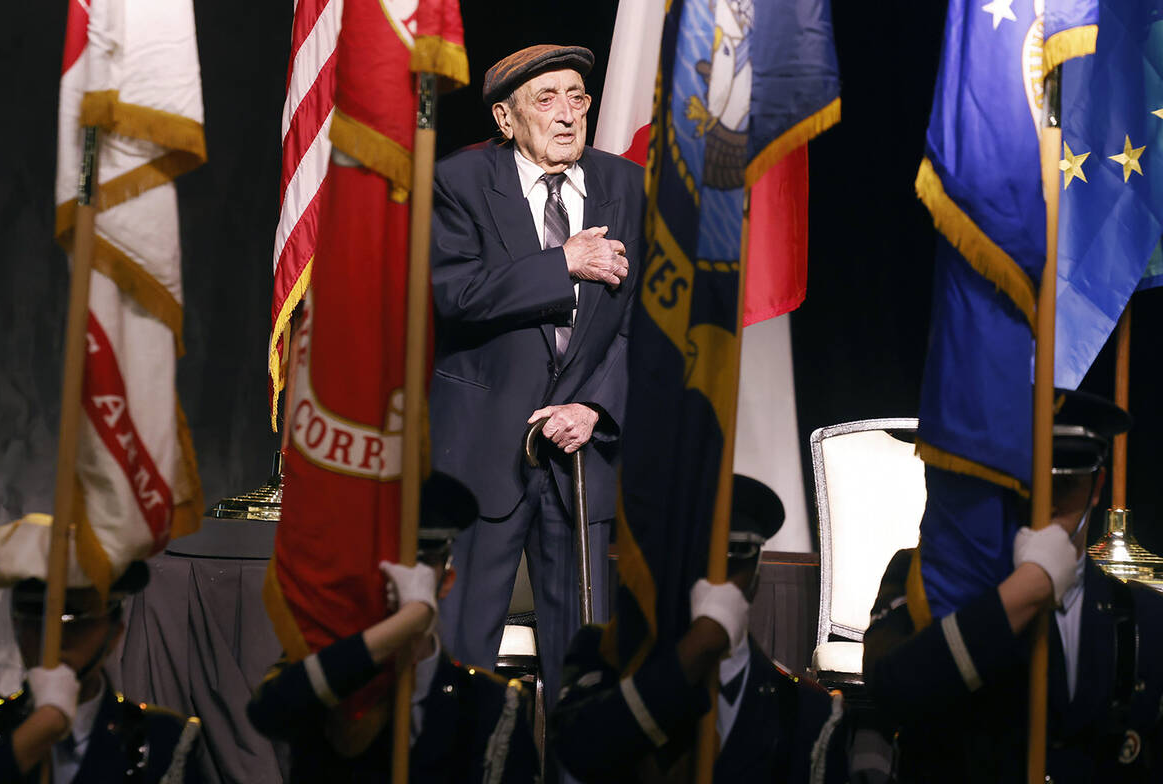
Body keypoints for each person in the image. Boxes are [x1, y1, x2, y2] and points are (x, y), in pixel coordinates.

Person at [429, 43, 644, 714]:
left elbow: (643, 319)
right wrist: (563, 265)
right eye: (545, 99)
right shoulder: (459, 183)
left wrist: (597, 409)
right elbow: (452, 294)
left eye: (577, 96)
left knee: (583, 666)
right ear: (504, 117)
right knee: (461, 659)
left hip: (581, 459)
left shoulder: (626, 184)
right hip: (483, 456)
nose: (566, 114)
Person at [863, 390, 1163, 782]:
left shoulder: (1145, 616)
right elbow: (893, 692)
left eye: (1064, 483)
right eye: (1026, 485)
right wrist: (1024, 591)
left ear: (1097, 486)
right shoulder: (924, 579)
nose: (1044, 504)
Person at [550, 476, 849, 782]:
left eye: (735, 552)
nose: (714, 571)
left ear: (757, 571)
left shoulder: (804, 709)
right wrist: (695, 651)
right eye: (695, 555)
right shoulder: (602, 656)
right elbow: (580, 750)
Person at [247, 473, 538, 783]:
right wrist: (402, 625)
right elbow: (269, 713)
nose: (399, 575)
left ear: (446, 581)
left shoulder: (489, 707)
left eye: (417, 561)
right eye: (385, 558)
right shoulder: (329, 676)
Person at [0, 559, 202, 783]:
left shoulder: (162, 739)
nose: (55, 638)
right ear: (16, 626)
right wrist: (38, 730)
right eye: (37, 619)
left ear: (114, 632)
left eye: (78, 621)